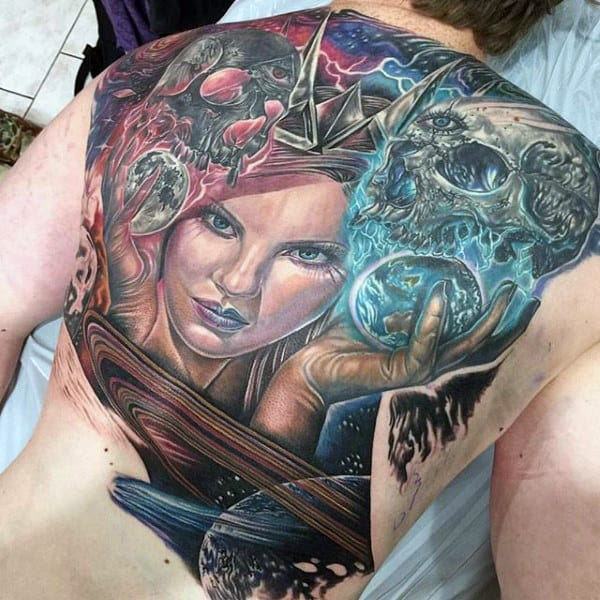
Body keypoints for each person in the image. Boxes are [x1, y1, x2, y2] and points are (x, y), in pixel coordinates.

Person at [0, 2, 598, 600]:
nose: (239, 282)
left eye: (308, 254)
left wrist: (302, 390)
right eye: (219, 222)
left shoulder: (149, 73)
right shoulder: (589, 257)